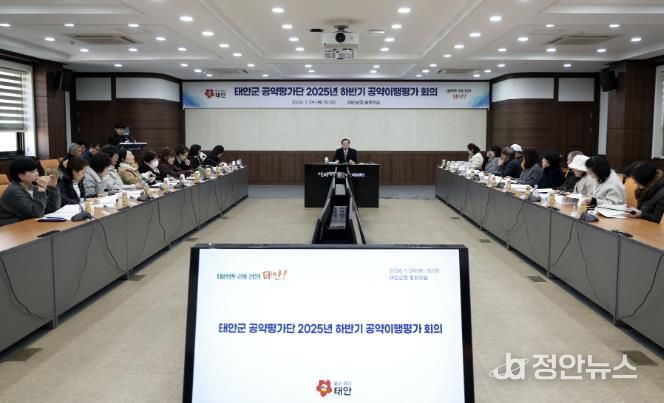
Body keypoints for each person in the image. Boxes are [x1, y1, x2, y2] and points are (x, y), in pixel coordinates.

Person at [0, 157, 61, 226]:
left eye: (36, 171)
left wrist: (53, 188)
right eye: (32, 172)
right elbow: (36, 213)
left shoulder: (33, 187)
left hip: (28, 225)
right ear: (21, 176)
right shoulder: (14, 191)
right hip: (10, 228)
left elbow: (52, 208)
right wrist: (41, 189)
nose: (36, 174)